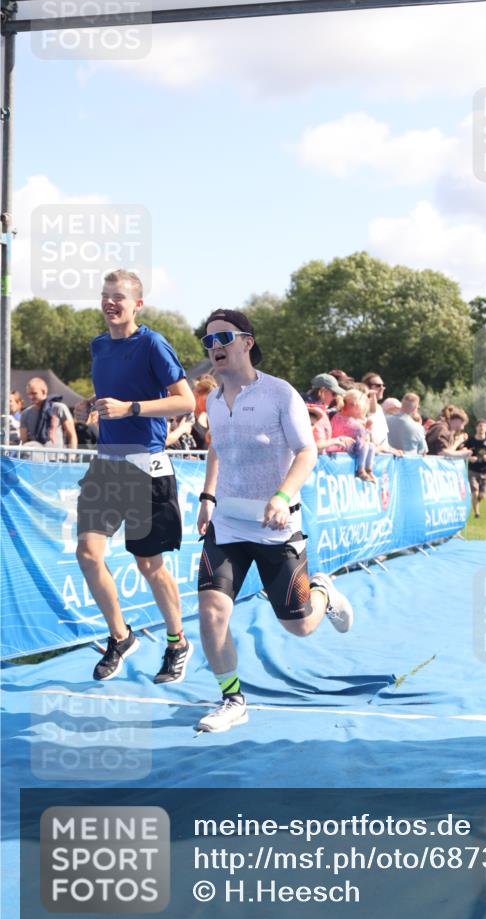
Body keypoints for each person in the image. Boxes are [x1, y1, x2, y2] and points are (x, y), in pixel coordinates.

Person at [196, 309, 354, 734]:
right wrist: (208, 497)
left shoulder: (280, 394)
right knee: (211, 611)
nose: (215, 347)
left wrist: (282, 496)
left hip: (276, 528)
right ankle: (232, 698)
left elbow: (308, 452)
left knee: (299, 625)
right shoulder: (212, 398)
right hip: (227, 525)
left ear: (247, 341)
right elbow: (217, 449)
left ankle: (323, 590)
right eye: (207, 341)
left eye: (223, 337)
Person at [74, 269, 195, 684]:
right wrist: (89, 406)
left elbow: (186, 400)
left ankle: (177, 641)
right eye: (105, 295)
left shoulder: (153, 343)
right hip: (106, 465)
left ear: (136, 304)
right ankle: (120, 637)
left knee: (149, 564)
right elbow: (113, 391)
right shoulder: (98, 345)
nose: (110, 302)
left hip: (146, 465)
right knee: (88, 555)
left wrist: (132, 409)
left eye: (119, 296)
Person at [331, 388, 377, 482]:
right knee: (366, 446)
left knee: (371, 446)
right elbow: (361, 441)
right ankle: (361, 470)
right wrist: (367, 429)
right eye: (362, 410)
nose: (362, 414)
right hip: (341, 445)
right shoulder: (353, 423)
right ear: (354, 406)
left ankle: (368, 469)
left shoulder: (339, 416)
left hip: (342, 443)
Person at [20, 377, 78, 450]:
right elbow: (23, 440)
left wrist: (71, 457)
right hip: (34, 457)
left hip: (56, 458)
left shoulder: (59, 408)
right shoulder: (25, 413)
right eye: (28, 394)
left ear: (44, 391)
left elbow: (72, 435)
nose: (30, 397)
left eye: (34, 393)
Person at [463, 420, 486, 518]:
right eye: (480, 426)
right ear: (476, 427)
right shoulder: (470, 441)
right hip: (472, 470)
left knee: (482, 495)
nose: (482, 428)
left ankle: (475, 502)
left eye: (484, 426)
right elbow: (463, 451)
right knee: (474, 492)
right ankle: (477, 513)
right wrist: (469, 458)